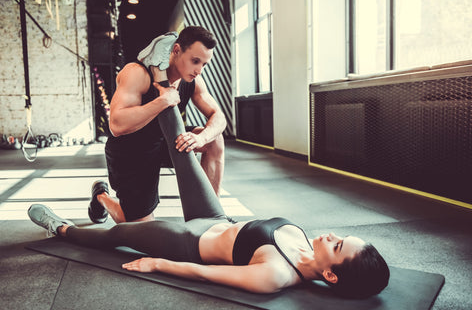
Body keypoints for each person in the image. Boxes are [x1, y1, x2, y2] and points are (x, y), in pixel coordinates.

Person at [28, 79, 390, 298]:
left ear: (330, 274)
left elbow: (206, 273)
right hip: (214, 216)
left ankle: (61, 227)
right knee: (183, 147)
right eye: (339, 236)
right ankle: (158, 77)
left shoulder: (277, 275)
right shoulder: (306, 243)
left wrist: (158, 264)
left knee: (119, 234)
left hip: (187, 240)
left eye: (338, 244)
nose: (330, 235)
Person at [90, 26, 226, 224]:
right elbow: (117, 124)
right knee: (140, 227)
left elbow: (219, 116)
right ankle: (101, 196)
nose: (199, 70)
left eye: (205, 64)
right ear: (176, 50)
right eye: (195, 61)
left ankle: (210, 216)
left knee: (215, 139)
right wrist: (162, 101)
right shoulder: (137, 73)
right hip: (131, 150)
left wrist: (201, 138)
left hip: (166, 139)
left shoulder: (194, 80)